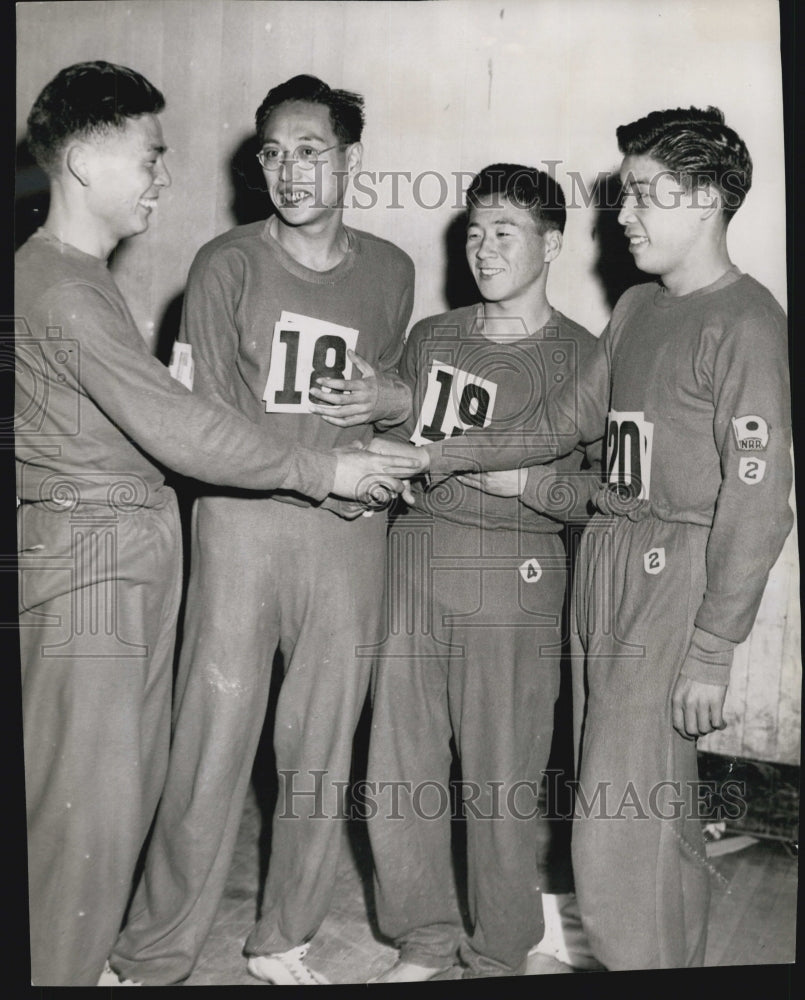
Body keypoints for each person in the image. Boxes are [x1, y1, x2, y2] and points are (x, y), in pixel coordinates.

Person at [15, 62, 416, 988]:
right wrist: (322, 469)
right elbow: (192, 419)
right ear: (83, 161)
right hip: (198, 531)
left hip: (291, 530)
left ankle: (280, 936)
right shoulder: (192, 268)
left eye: (310, 151)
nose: (163, 176)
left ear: (349, 160)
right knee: (147, 777)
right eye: (271, 152)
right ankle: (140, 953)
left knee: (239, 763)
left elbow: (389, 394)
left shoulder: (389, 272)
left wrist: (387, 411)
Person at [374, 106, 793, 970]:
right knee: (640, 812)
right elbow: (560, 419)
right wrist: (443, 451)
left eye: (642, 194)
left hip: (671, 569)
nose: (626, 214)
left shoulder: (746, 322)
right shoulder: (638, 308)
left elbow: (759, 506)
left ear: (707, 198)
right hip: (602, 558)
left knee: (612, 823)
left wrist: (712, 647)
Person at [365, 164, 601, 981]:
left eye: (504, 231)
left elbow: (608, 493)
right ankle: (421, 937)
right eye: (472, 230)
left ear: (552, 243)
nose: (483, 247)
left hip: (517, 572)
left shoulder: (586, 355)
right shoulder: (433, 336)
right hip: (417, 553)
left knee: (501, 774)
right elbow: (399, 435)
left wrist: (533, 485)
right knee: (400, 762)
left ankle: (499, 950)